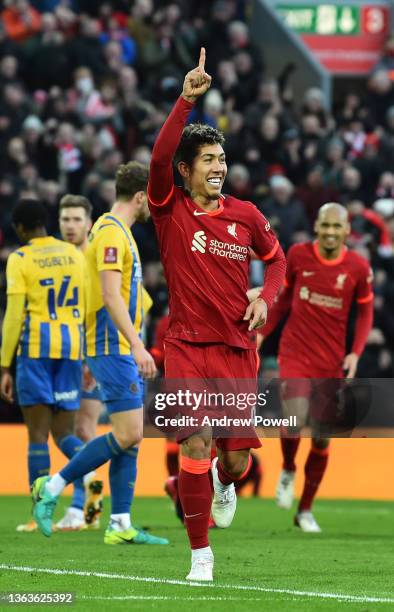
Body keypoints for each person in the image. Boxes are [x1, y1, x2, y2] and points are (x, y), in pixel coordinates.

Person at [148, 48, 286, 580]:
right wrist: (186, 100)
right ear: (187, 171)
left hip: (237, 350)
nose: (219, 167)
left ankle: (225, 485)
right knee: (195, 442)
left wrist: (264, 297)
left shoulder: (247, 215)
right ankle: (200, 556)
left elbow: (275, 268)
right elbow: (159, 159)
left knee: (233, 461)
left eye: (222, 160)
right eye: (208, 160)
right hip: (186, 344)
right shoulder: (171, 208)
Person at [31, 162, 168, 546]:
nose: (153, 207)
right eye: (152, 200)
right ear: (141, 196)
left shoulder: (119, 233)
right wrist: (138, 344)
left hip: (117, 344)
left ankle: (120, 522)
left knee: (132, 438)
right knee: (129, 431)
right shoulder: (109, 234)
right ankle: (52, 486)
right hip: (111, 344)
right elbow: (109, 295)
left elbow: (128, 296)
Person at [259, 202, 374, 532]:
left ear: (347, 231)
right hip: (295, 352)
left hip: (330, 361)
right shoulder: (297, 255)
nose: (330, 232)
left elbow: (365, 314)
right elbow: (282, 302)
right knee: (293, 417)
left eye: (337, 227)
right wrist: (263, 335)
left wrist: (355, 353)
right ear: (317, 227)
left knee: (323, 439)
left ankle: (305, 510)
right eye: (325, 225)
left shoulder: (357, 268)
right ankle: (288, 468)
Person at [0, 199, 86, 533]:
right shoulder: (74, 254)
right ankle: (87, 481)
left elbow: (13, 316)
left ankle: (40, 513)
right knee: (65, 433)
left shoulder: (20, 258)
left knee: (37, 437)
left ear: (21, 229)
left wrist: (4, 365)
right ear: (46, 222)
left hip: (35, 349)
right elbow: (88, 304)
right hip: (72, 349)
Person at [56, 194, 104, 531]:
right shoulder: (56, 260)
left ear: (88, 223)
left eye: (76, 219)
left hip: (92, 354)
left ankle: (80, 508)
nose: (70, 225)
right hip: (60, 354)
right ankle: (88, 493)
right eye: (65, 219)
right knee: (67, 431)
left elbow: (131, 304)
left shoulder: (97, 259)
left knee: (83, 429)